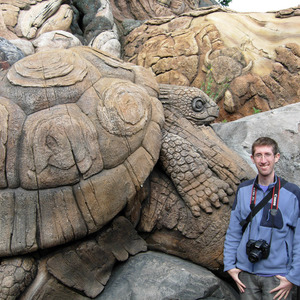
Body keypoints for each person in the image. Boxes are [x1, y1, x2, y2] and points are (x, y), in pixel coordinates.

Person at [223, 137, 300, 300]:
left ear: (276, 157)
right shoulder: (243, 190)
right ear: (252, 159)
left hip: (278, 278)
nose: (263, 160)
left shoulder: (292, 193)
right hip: (246, 275)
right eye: (258, 155)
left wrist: (293, 277)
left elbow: (299, 239)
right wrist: (230, 265)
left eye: (267, 155)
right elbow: (234, 231)